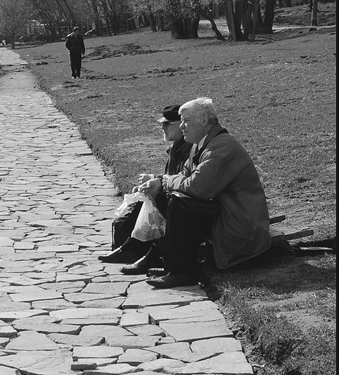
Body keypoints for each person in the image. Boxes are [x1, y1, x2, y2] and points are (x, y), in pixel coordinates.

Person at [146, 97, 271, 289]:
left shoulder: (221, 146)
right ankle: (173, 265)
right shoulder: (200, 144)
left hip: (238, 223)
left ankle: (184, 271)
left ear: (204, 120)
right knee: (165, 195)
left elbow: (198, 187)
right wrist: (163, 182)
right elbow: (185, 175)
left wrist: (167, 181)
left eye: (185, 121)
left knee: (179, 203)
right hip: (221, 211)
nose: (181, 127)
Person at [98, 105, 193, 274]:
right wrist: (154, 180)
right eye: (162, 124)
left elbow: (184, 179)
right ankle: (131, 248)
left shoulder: (188, 148)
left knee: (159, 199)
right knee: (146, 200)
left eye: (167, 124)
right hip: (180, 194)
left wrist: (157, 181)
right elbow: (175, 176)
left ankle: (135, 250)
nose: (162, 127)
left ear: (181, 124)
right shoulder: (177, 147)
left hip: (187, 200)